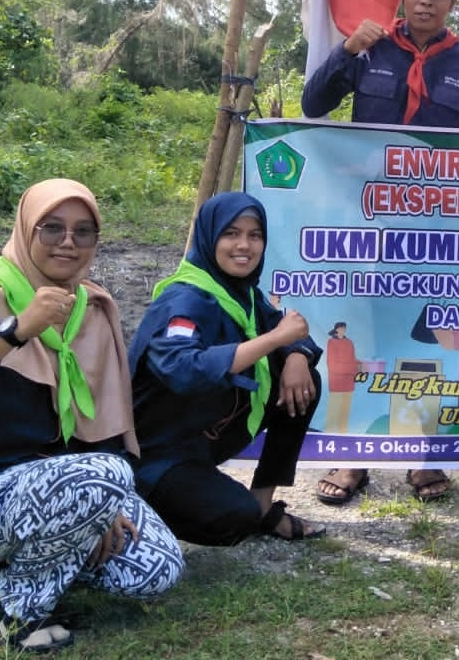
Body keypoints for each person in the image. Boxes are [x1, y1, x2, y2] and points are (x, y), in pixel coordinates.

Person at [0, 179, 184, 654]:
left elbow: (104, 429)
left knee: (156, 568)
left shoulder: (92, 309)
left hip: (64, 487)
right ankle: (14, 610)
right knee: (106, 477)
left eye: (83, 231)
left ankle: (31, 557)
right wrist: (15, 331)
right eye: (51, 228)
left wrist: (99, 508)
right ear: (25, 230)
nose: (68, 242)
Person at [300, 0, 459, 506]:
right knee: (364, 336)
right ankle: (355, 455)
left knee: (423, 337)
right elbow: (312, 106)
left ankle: (420, 456)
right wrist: (345, 51)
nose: (426, 1)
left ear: (452, 2)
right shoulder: (370, 46)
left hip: (436, 229)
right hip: (368, 222)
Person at [128, 192, 327, 544]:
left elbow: (287, 329)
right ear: (209, 237)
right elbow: (182, 370)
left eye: (255, 235)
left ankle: (262, 504)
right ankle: (134, 509)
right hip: (156, 453)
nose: (244, 245)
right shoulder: (186, 299)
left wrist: (296, 354)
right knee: (233, 518)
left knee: (305, 381)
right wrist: (275, 339)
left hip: (203, 435)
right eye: (231, 233)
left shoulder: (241, 293)